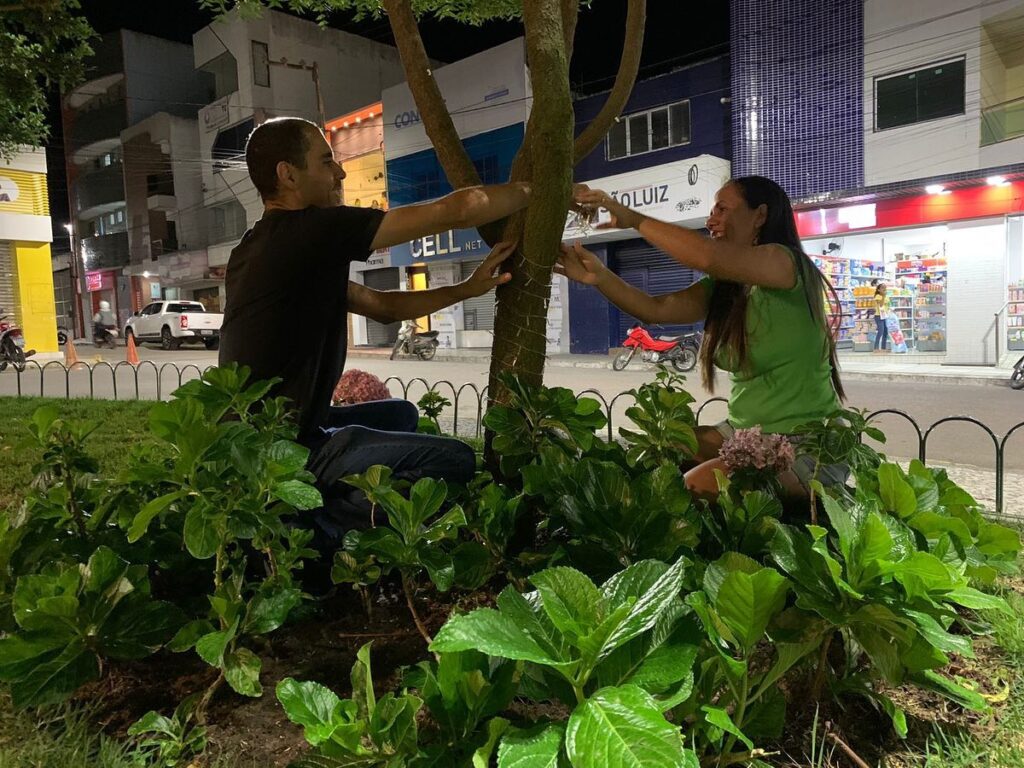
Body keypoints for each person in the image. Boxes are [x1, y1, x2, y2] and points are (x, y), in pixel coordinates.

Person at [219, 117, 537, 540]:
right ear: (288, 175)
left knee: (400, 414)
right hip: (277, 455)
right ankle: (324, 529)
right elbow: (456, 210)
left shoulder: (269, 247)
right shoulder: (307, 230)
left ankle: (330, 500)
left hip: (276, 434)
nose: (340, 173)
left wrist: (466, 289)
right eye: (326, 161)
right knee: (456, 460)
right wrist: (540, 191)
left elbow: (382, 306)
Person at [560, 176, 848, 499]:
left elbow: (707, 256)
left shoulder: (788, 264)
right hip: (744, 435)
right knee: (660, 448)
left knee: (693, 486)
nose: (711, 221)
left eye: (722, 210)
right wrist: (599, 276)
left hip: (808, 445)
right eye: (712, 212)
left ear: (760, 216)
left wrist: (634, 219)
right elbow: (655, 309)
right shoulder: (726, 287)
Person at [872, 281, 890, 353]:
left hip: (884, 315)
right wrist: (883, 296)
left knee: (885, 332)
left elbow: (887, 305)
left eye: (885, 287)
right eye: (882, 287)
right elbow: (881, 305)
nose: (884, 289)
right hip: (878, 316)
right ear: (878, 290)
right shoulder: (877, 296)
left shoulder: (886, 296)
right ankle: (875, 348)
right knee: (880, 331)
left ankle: (883, 348)